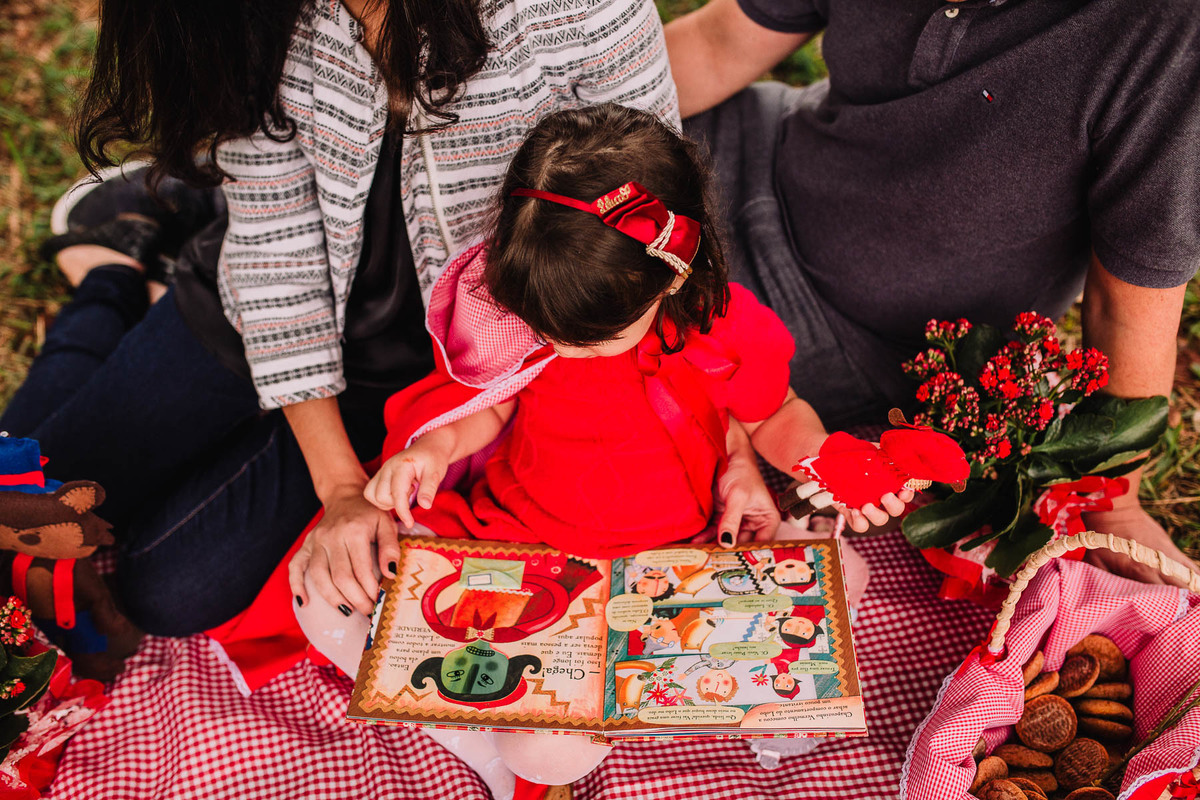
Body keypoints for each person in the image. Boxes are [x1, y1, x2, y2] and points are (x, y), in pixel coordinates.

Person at [0, 0, 677, 636]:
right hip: (251, 303)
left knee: (166, 593)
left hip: (409, 372)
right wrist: (342, 488)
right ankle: (113, 276)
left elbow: (655, 222)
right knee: (31, 511)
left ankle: (134, 265)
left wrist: (356, 488)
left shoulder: (582, 11)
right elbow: (273, 249)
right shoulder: (244, 18)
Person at [294, 104, 910, 799]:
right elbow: (490, 403)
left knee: (836, 580)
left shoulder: (720, 324)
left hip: (679, 558)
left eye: (592, 338)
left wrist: (823, 458)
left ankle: (653, 709)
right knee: (322, 594)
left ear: (672, 277)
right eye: (547, 332)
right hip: (523, 546)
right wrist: (433, 450)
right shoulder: (525, 305)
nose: (562, 350)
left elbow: (775, 413)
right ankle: (482, 748)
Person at [663, 0, 1200, 585]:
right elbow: (719, 44)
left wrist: (1114, 501)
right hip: (759, 139)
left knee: (622, 368)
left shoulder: (1164, 31)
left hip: (839, 323)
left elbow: (1125, 306)